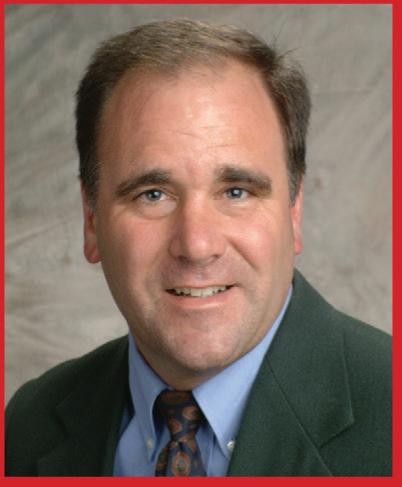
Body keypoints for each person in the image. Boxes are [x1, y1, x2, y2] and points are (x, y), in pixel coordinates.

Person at [5, 19, 391, 477]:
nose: (197, 245)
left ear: (294, 209)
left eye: (236, 192)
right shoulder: (30, 425)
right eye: (153, 194)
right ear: (91, 219)